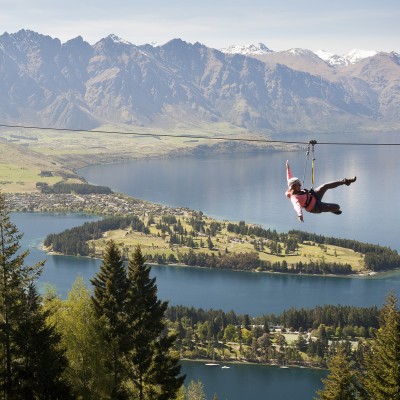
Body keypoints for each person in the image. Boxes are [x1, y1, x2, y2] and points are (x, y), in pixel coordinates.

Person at [285, 160, 356, 222]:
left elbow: (289, 177)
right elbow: (297, 206)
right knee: (337, 207)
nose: (300, 185)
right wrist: (300, 215)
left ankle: (346, 181)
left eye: (299, 184)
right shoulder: (294, 198)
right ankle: (333, 209)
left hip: (313, 195)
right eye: (298, 184)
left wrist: (287, 168)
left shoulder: (291, 186)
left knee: (325, 186)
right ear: (293, 186)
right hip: (315, 207)